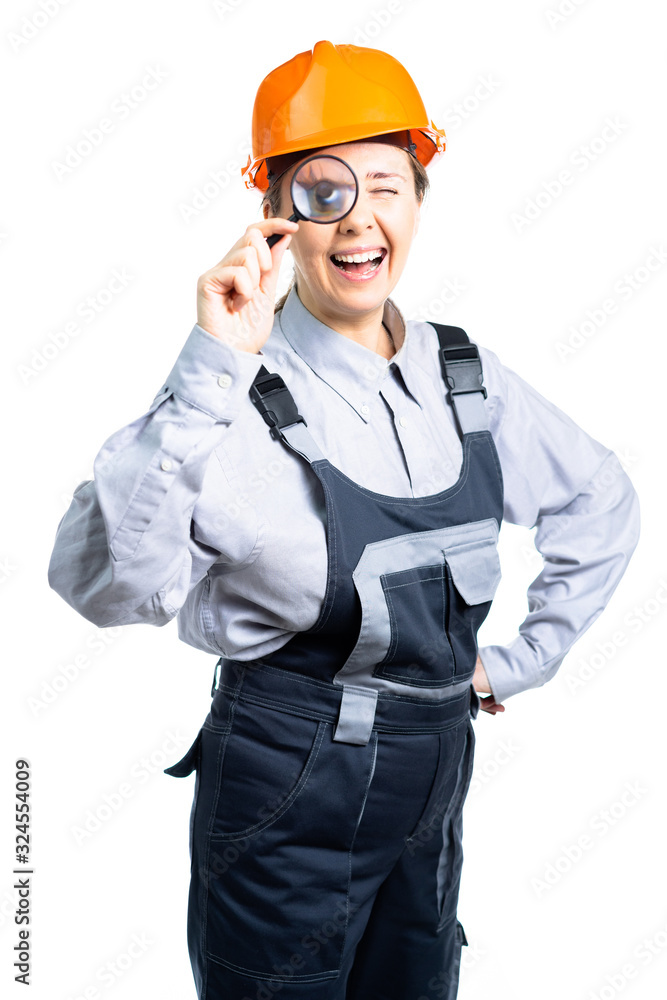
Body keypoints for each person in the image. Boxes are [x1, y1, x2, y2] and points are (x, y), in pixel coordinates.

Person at [48, 40, 640, 1000]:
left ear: (418, 200)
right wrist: (210, 362)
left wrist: (521, 659)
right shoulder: (227, 394)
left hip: (434, 779)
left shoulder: (465, 376)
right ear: (276, 216)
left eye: (385, 186)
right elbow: (103, 589)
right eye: (324, 191)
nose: (358, 220)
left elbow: (600, 497)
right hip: (284, 790)